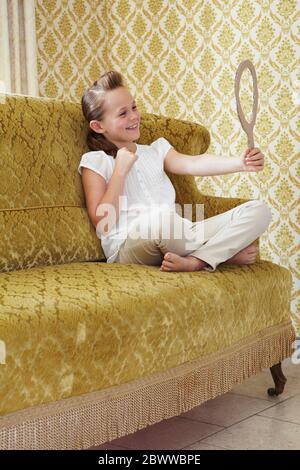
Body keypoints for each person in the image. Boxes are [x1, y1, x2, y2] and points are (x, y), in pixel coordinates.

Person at [78, 71, 271, 273]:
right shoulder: (96, 161)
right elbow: (103, 224)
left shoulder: (157, 150)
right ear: (98, 126)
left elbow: (193, 164)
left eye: (134, 107)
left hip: (178, 233)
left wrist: (240, 163)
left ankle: (197, 261)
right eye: (122, 113)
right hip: (130, 245)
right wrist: (119, 171)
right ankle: (222, 252)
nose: (134, 116)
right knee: (166, 222)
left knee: (258, 210)